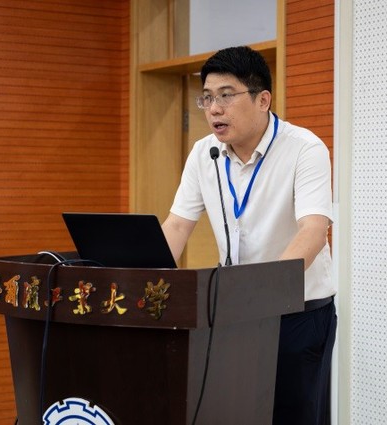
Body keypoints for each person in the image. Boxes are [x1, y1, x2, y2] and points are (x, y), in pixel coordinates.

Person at [161, 45, 337, 425]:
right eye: (207, 98)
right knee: (236, 414)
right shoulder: (204, 153)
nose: (214, 109)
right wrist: (143, 280)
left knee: (293, 417)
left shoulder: (304, 149)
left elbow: (313, 231)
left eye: (226, 96)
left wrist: (264, 293)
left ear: (263, 100)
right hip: (234, 312)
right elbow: (177, 226)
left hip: (298, 315)